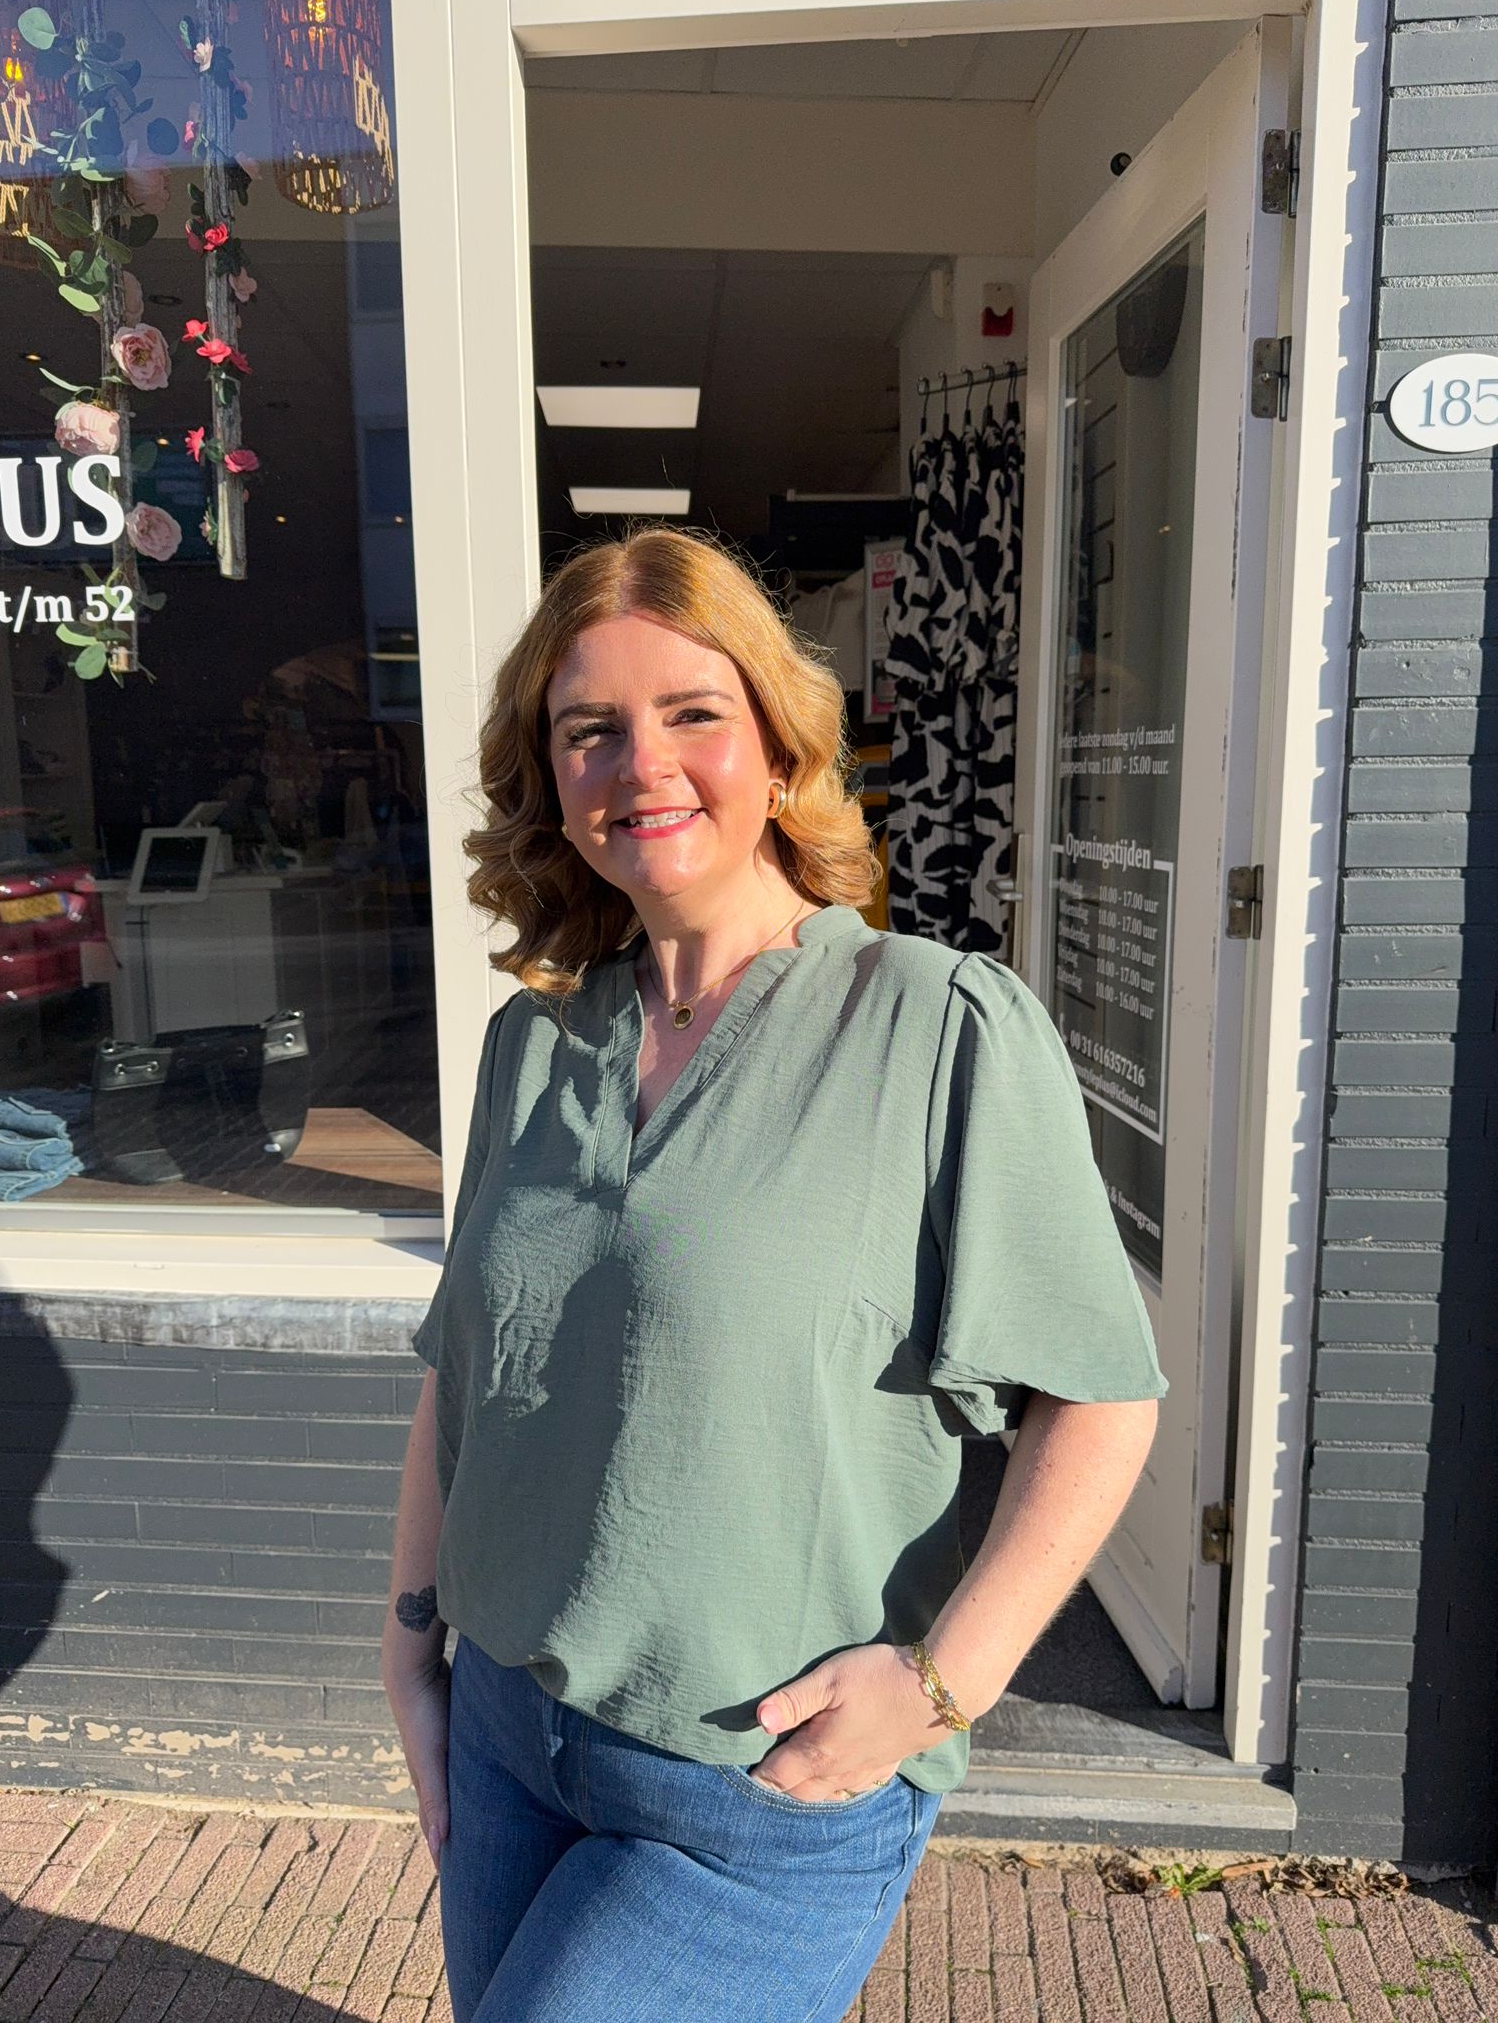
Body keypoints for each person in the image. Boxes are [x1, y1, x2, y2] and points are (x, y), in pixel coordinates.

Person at [380, 525, 1169, 2023]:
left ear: (780, 747)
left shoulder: (935, 1025)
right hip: (507, 1732)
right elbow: (462, 1370)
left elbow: (1101, 1398)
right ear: (548, 777)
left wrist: (943, 1685)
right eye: (589, 729)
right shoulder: (532, 1044)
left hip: (756, 1782)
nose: (642, 765)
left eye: (693, 713)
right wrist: (410, 1645)